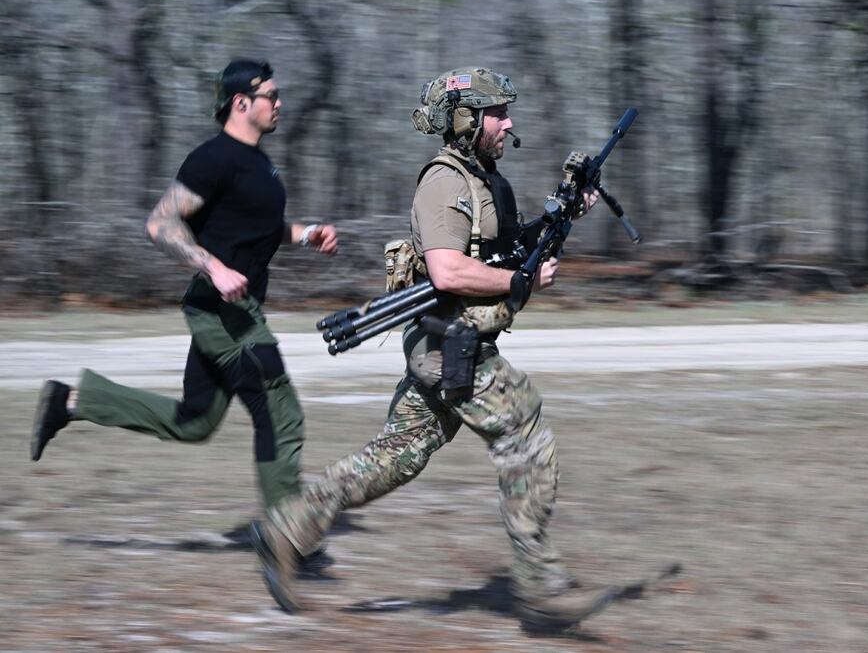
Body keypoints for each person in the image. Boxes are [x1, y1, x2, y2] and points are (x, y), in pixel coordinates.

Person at [250, 67, 616, 629]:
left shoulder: (486, 180)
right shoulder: (444, 182)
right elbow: (448, 272)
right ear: (466, 120)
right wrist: (518, 285)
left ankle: (286, 529)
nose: (507, 122)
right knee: (524, 427)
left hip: (449, 343)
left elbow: (504, 250)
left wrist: (565, 214)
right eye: (496, 113)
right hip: (449, 343)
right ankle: (541, 587)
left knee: (397, 456)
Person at [30, 58, 338, 514]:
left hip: (236, 307)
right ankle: (286, 534)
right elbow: (160, 223)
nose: (280, 103)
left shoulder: (258, 164)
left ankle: (73, 401)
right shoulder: (213, 158)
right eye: (272, 96)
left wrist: (307, 233)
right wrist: (214, 267)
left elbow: (259, 228)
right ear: (241, 102)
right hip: (223, 310)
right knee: (278, 409)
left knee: (195, 421)